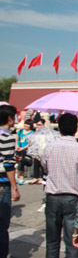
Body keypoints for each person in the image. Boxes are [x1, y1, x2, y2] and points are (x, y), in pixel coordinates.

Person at [41, 113, 78, 258]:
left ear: (59, 128)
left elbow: (45, 168)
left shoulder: (50, 147)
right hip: (73, 198)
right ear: (76, 128)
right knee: (73, 242)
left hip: (53, 196)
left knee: (52, 242)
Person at [0, 104, 21, 258]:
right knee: (2, 226)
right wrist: (14, 187)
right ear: (9, 118)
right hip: (2, 185)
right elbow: (8, 165)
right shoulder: (7, 137)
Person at [15, 119, 35, 185]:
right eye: (25, 124)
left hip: (25, 149)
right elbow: (16, 139)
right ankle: (19, 176)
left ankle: (20, 176)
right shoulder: (20, 131)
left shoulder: (32, 133)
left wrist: (23, 148)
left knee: (22, 162)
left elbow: (30, 143)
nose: (26, 125)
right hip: (18, 148)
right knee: (17, 162)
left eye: (28, 124)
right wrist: (17, 146)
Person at [28, 119, 46, 184]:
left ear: (43, 125)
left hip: (44, 150)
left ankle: (42, 177)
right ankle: (35, 177)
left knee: (43, 165)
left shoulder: (46, 133)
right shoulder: (35, 132)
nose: (38, 126)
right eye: (37, 125)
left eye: (39, 125)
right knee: (36, 164)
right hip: (37, 149)